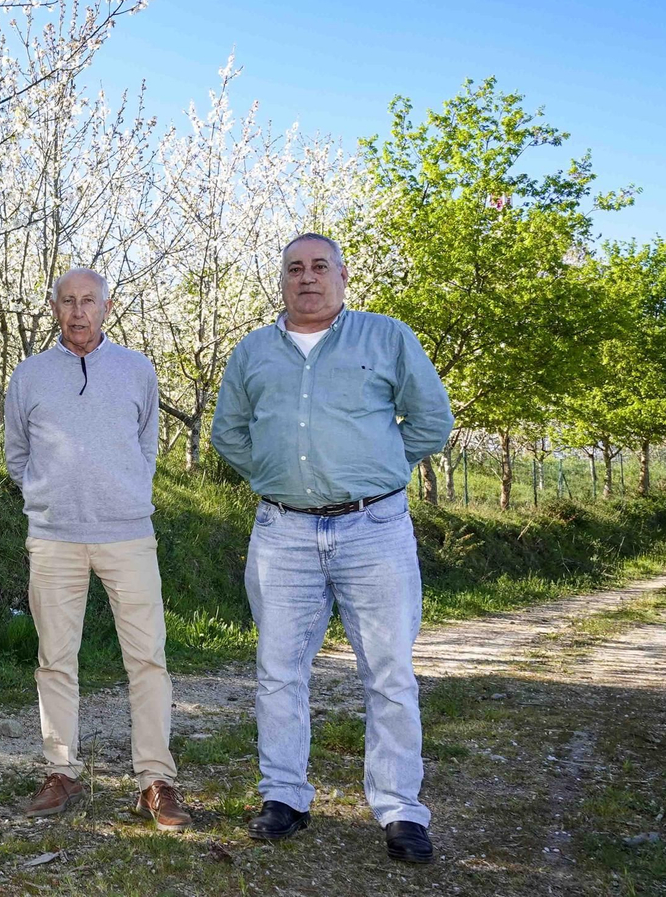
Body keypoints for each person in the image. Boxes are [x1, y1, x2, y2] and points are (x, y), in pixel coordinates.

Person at [210, 232, 453, 864]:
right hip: (282, 532)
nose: (308, 277)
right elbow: (229, 432)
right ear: (282, 280)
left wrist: (378, 467)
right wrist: (271, 476)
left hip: (374, 529)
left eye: (320, 266)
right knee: (278, 672)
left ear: (342, 276)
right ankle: (284, 797)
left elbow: (431, 421)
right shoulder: (253, 352)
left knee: (390, 672)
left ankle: (401, 811)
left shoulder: (387, 337)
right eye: (295, 268)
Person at [2, 268, 190, 831]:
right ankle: (61, 771)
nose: (78, 311)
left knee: (148, 659)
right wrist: (44, 494)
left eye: (89, 301)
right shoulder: (29, 375)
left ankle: (155, 780)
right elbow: (15, 453)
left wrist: (123, 494)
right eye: (67, 301)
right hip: (54, 538)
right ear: (54, 307)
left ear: (107, 306)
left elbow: (146, 447)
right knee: (55, 660)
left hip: (128, 534)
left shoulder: (138, 371)